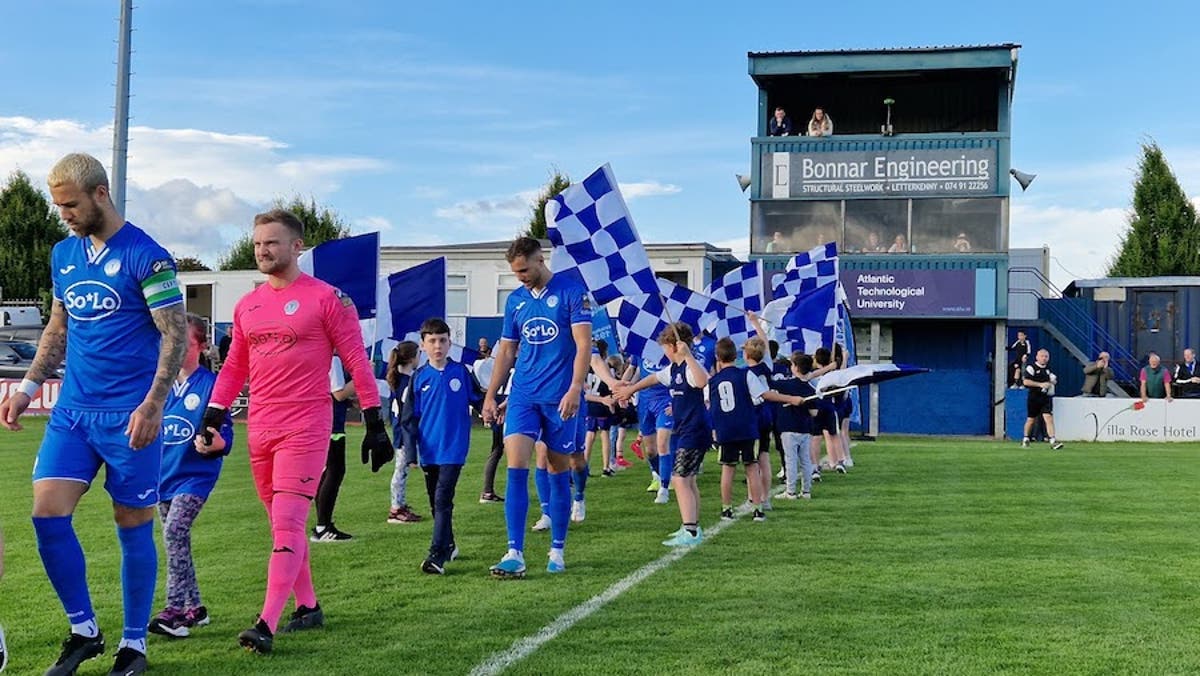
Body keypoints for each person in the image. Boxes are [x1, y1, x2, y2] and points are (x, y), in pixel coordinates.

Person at [0, 153, 188, 676]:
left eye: (70, 205)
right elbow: (58, 329)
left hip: (130, 416)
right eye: (58, 206)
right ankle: (84, 631)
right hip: (73, 414)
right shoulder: (64, 254)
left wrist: (154, 404)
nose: (64, 215)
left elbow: (174, 335)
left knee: (132, 525)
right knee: (47, 516)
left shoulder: (148, 257)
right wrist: (28, 385)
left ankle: (134, 646)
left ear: (100, 194)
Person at [199, 208, 392, 654]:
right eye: (257, 244)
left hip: (306, 425)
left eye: (271, 242)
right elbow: (233, 367)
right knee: (280, 527)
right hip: (260, 427)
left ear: (296, 246)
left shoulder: (328, 299)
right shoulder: (248, 304)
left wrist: (375, 422)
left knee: (288, 523)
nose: (262, 251)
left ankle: (265, 622)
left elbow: (357, 362)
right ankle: (308, 607)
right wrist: (213, 414)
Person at [483, 237, 592, 578]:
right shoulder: (515, 301)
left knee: (558, 470)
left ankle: (557, 550)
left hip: (560, 397)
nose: (520, 277)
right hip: (523, 395)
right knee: (516, 465)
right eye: (515, 273)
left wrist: (576, 387)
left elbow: (583, 343)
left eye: (524, 270)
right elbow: (506, 352)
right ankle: (514, 551)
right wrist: (491, 394)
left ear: (540, 260)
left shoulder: (572, 293)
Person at [148, 314, 234, 639]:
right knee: (176, 542)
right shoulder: (160, 387)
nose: (175, 348)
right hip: (163, 478)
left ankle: (174, 613)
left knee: (174, 533)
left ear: (200, 346)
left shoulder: (212, 386)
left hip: (195, 477)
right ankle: (195, 608)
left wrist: (213, 443)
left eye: (184, 342)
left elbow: (225, 438)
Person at [402, 318, 484, 574]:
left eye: (443, 340)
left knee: (442, 499)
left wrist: (494, 409)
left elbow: (480, 400)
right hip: (429, 449)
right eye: (432, 341)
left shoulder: (461, 372)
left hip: (454, 448)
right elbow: (409, 420)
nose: (438, 346)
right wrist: (411, 452)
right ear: (423, 345)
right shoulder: (419, 378)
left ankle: (436, 555)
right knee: (434, 502)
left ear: (449, 343)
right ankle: (448, 544)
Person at [618, 323, 710, 546]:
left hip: (694, 430)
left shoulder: (689, 366)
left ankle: (690, 531)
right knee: (689, 479)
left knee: (680, 479)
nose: (663, 352)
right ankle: (693, 527)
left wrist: (688, 356)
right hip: (686, 428)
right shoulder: (673, 369)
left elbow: (702, 381)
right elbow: (653, 379)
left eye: (665, 347)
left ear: (674, 346)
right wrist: (629, 389)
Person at [708, 338, 767, 521]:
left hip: (726, 428)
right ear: (736, 355)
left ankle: (726, 508)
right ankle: (758, 508)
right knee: (752, 467)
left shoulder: (713, 381)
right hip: (746, 426)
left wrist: (714, 429)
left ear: (718, 357)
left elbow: (710, 404)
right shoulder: (746, 375)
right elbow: (761, 395)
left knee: (728, 469)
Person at [312, 357, 356, 541]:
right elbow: (338, 393)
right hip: (331, 425)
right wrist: (360, 378)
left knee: (328, 472)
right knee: (334, 472)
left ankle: (323, 524)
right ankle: (323, 526)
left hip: (321, 422)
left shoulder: (320, 355)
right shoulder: (333, 359)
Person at [385, 341, 425, 522]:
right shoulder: (407, 382)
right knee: (400, 471)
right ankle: (396, 509)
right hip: (403, 432)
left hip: (400, 431)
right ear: (411, 358)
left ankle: (399, 504)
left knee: (402, 471)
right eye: (418, 354)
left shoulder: (399, 379)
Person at [773, 352, 819, 500]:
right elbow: (814, 412)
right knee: (805, 460)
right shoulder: (810, 390)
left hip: (788, 429)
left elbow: (770, 384)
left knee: (791, 460)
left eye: (792, 364)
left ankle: (790, 491)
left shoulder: (787, 385)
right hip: (805, 429)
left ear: (796, 368)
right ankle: (806, 491)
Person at [1022, 349, 1064, 450]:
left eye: (1046, 356)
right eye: (1042, 356)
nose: (1044, 358)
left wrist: (1052, 382)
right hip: (1034, 398)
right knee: (1031, 420)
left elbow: (1051, 380)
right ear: (1037, 357)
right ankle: (1026, 438)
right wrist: (1040, 384)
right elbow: (1026, 382)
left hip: (1045, 398)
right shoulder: (1031, 368)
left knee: (1048, 417)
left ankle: (1053, 441)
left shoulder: (1048, 369)